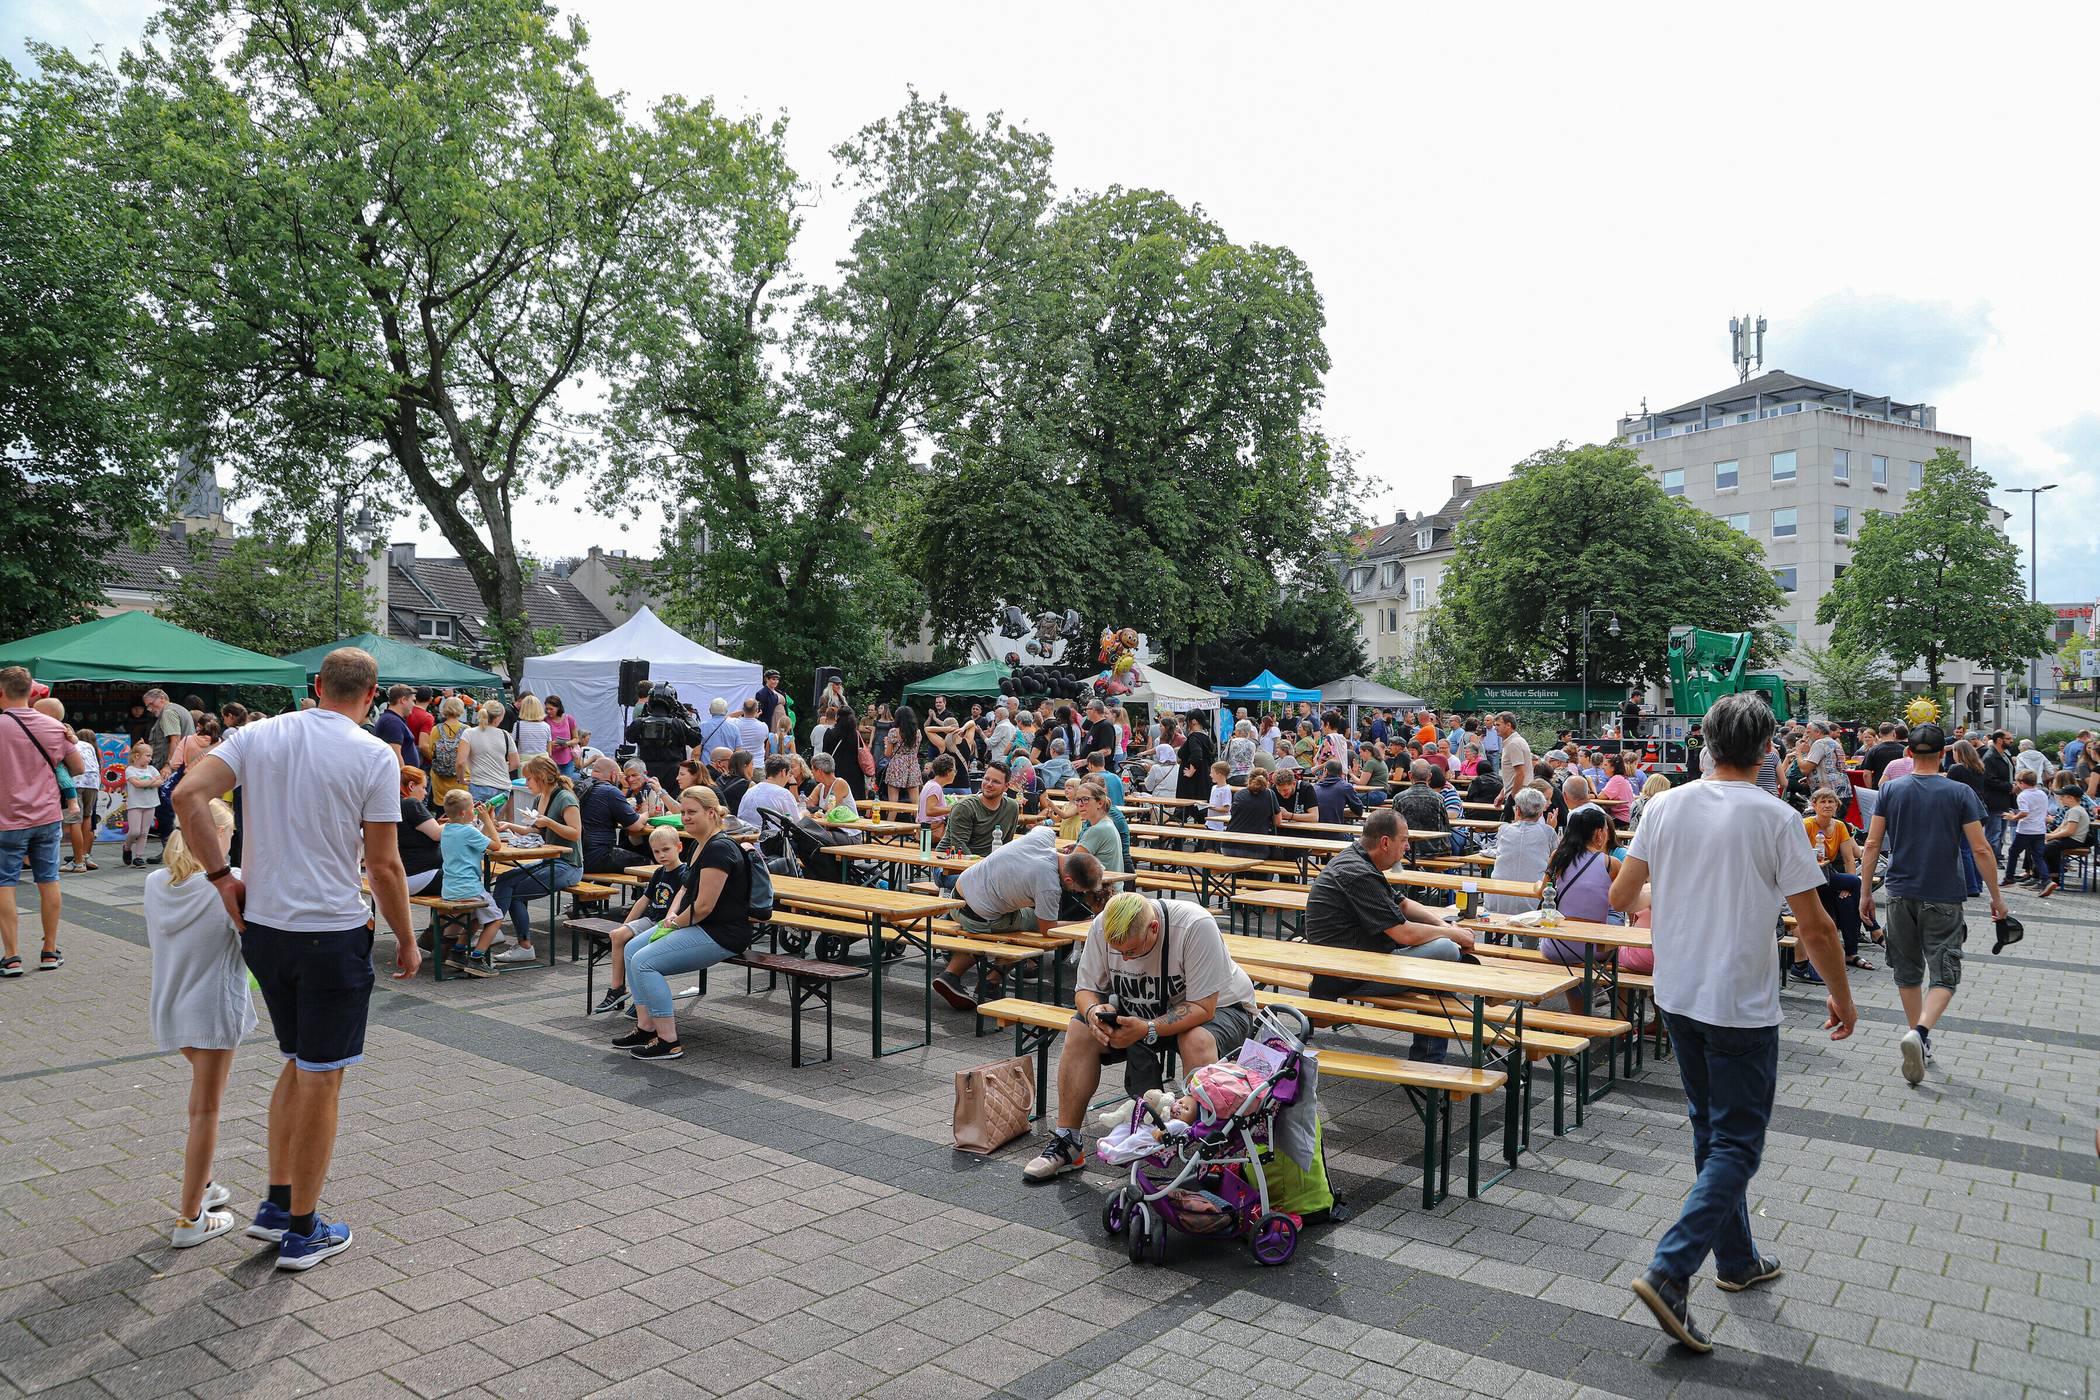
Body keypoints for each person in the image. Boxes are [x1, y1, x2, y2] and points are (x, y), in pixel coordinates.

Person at [1606, 692, 1853, 1354]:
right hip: (1738, 1001)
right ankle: (1671, 1268)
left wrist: (1683, 886)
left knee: (1708, 1130)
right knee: (1737, 1143)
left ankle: (1736, 1261)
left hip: (1676, 992)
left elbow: (1621, 896)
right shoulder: (1776, 818)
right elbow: (1817, 925)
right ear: (1768, 749)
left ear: (1706, 744)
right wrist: (1844, 997)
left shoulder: (1663, 805)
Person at [171, 646, 419, 1271]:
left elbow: (186, 796)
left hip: (266, 930)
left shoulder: (258, 734)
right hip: (330, 931)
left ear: (316, 686)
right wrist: (408, 938)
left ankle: (280, 1204)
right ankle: (304, 1229)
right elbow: (385, 864)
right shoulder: (372, 754)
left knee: (296, 1062)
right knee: (322, 1076)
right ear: (372, 695)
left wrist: (222, 876)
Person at [1020, 891, 1263, 1182]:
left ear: (1154, 929)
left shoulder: (1195, 925)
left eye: (1132, 951)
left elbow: (1202, 1007)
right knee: (1080, 1029)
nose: (1124, 958)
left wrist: (1147, 1029)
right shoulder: (1103, 924)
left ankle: (1208, 1153)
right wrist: (1096, 1010)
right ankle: (1068, 1141)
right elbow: (1084, 991)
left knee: (1194, 1039)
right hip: (1146, 1009)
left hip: (1222, 1008)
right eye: (1117, 951)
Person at [1858, 722, 2005, 1084]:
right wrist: (1997, 899)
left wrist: (1865, 892)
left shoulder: (1890, 789)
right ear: (1944, 754)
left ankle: (1917, 1036)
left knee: (1906, 971)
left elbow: (1873, 844)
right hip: (1943, 894)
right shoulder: (1960, 793)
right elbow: (1981, 848)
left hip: (1899, 892)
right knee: (1945, 973)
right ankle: (1921, 1033)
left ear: (1909, 754)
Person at [145, 798, 256, 1247]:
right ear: (219, 837)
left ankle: (205, 1185)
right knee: (205, 1112)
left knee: (201, 1107)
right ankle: (190, 1218)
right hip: (213, 1008)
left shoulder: (155, 882)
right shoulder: (231, 885)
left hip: (169, 1006)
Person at [1303, 808, 1473, 1062]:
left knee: (1444, 955)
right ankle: (1428, 1062)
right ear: (1385, 842)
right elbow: (1404, 934)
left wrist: (1447, 927)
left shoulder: (1355, 859)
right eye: (1404, 840)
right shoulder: (1358, 872)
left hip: (1354, 960)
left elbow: (1402, 904)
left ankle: (1429, 1059)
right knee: (1446, 953)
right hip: (1348, 973)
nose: (1407, 847)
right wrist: (1453, 936)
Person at [616, 788, 758, 1060]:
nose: (686, 817)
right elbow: (684, 889)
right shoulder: (699, 844)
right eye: (683, 812)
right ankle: (646, 1028)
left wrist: (674, 924)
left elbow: (703, 907)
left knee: (644, 962)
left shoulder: (719, 849)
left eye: (692, 812)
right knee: (631, 948)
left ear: (712, 813)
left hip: (721, 933)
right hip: (698, 925)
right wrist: (672, 915)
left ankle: (668, 1040)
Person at [1, 668, 85, 976]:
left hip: (6, 821)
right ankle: (49, 950)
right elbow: (76, 768)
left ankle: (11, 957)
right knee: (48, 881)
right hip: (47, 817)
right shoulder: (54, 727)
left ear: (2, 693)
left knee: (4, 885)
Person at [487, 755, 584, 964]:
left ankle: (521, 944)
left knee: (516, 892)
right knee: (505, 880)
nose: (526, 783)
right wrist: (508, 826)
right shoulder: (540, 798)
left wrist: (549, 821)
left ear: (541, 777)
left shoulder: (565, 798)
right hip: (550, 860)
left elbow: (575, 833)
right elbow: (535, 830)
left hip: (569, 865)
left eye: (528, 779)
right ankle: (493, 929)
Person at [589, 824, 692, 1015]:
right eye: (656, 851)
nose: (661, 855)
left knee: (637, 950)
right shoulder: (659, 872)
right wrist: (626, 924)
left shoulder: (684, 873)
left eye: (666, 849)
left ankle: (642, 999)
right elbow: (644, 900)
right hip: (652, 919)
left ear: (679, 847)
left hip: (668, 925)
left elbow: (681, 905)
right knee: (617, 935)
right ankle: (617, 989)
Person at [1537, 806, 1618, 1011]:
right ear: (1600, 833)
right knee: (1620, 950)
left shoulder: (1559, 856)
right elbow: (1624, 902)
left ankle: (1579, 1014)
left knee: (1572, 959)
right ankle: (1619, 1017)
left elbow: (1542, 891)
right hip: (1595, 949)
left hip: (1556, 946)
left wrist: (1535, 885)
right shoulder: (1611, 863)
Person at [433, 790, 510, 975]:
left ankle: (458, 953)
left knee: (475, 916)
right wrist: (488, 820)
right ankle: (477, 958)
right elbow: (496, 845)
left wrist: (486, 820)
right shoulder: (467, 830)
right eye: (471, 807)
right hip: (469, 888)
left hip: (450, 888)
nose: (475, 809)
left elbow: (481, 839)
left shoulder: (448, 829)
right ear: (463, 813)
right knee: (496, 918)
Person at [1801, 788, 1869, 976]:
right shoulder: (1807, 825)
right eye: (1822, 802)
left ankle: (1851, 952)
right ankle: (1874, 930)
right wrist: (1850, 884)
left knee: (1847, 900)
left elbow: (1849, 859)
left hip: (1828, 875)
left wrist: (1847, 886)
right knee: (1855, 885)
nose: (1827, 805)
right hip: (1810, 878)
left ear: (1837, 805)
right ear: (1814, 805)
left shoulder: (1839, 826)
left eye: (1831, 802)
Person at [574, 754, 654, 873]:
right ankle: (642, 892)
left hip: (577, 855)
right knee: (649, 865)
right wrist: (647, 813)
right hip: (597, 855)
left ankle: (599, 889)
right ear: (614, 775)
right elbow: (636, 825)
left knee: (618, 856)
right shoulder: (609, 791)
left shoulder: (579, 786)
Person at [1484, 786, 1554, 915]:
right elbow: (1555, 857)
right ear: (1540, 813)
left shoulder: (1504, 829)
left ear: (1517, 810)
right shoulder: (1548, 832)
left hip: (1497, 900)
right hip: (1533, 903)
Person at [627, 685, 704, 792]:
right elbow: (696, 738)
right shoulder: (678, 724)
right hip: (673, 773)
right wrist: (687, 716)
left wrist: (642, 716)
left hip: (647, 771)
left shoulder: (640, 722)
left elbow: (629, 737)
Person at [2035, 780, 2094, 898]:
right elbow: (2061, 827)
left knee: (2045, 849)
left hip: (2074, 840)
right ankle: (2049, 878)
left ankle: (2048, 879)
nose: (2060, 799)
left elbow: (2069, 831)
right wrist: (2050, 835)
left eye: (2063, 796)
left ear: (2071, 797)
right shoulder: (2071, 810)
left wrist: (2051, 836)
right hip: (2068, 839)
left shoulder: (2075, 811)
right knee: (2045, 846)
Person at [395, 767, 445, 896]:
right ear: (411, 786)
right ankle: (492, 915)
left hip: (406, 875)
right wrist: (460, 821)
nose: (426, 793)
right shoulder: (411, 803)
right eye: (423, 787)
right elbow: (437, 834)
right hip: (418, 875)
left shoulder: (396, 803)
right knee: (468, 876)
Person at [62, 724, 102, 873]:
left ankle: (78, 863)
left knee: (74, 821)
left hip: (76, 780)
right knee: (87, 817)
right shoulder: (87, 744)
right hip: (93, 781)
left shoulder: (63, 743)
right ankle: (85, 856)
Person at [463, 699, 519, 804]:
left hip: (479, 784)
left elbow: (460, 762)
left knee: (478, 820)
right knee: (493, 819)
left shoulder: (469, 733)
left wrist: (461, 779)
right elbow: (515, 763)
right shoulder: (505, 735)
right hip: (502, 787)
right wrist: (499, 769)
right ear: (499, 718)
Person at [1224, 768, 1282, 858]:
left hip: (1229, 846)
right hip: (1256, 848)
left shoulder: (1239, 794)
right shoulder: (1270, 794)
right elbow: (1277, 822)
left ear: (1248, 779)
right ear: (1267, 781)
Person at [2005, 768, 2050, 885]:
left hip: (2026, 830)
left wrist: (2013, 817)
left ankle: (2009, 877)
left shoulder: (2023, 796)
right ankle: (2046, 879)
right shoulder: (2042, 794)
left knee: (2013, 852)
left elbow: (2024, 812)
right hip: (2039, 829)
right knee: (2038, 856)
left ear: (2022, 783)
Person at [123, 741, 164, 867]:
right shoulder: (130, 770)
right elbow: (137, 784)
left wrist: (149, 782)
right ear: (136, 756)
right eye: (147, 755)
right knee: (135, 831)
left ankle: (139, 856)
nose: (150, 759)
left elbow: (160, 781)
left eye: (150, 756)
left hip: (150, 803)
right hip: (135, 804)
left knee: (144, 832)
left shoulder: (152, 769)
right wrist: (152, 781)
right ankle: (127, 846)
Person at [884, 705, 925, 802]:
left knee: (893, 803)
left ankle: (891, 818)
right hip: (913, 765)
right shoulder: (918, 733)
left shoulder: (893, 732)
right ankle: (918, 817)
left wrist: (886, 744)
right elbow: (915, 751)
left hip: (897, 766)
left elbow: (888, 754)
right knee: (915, 803)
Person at [373, 685, 417, 768]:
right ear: (403, 700)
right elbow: (395, 755)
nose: (414, 705)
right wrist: (404, 778)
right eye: (413, 701)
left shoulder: (392, 719)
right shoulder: (392, 721)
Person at [1175, 712, 1215, 803]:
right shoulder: (1206, 737)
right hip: (1204, 776)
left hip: (1192, 783)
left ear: (1193, 721)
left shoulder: (1194, 737)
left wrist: (1191, 771)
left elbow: (1196, 756)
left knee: (1188, 808)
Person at [917, 753, 956, 845]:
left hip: (927, 832)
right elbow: (930, 810)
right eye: (954, 770)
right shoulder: (935, 787)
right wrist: (953, 807)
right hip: (933, 833)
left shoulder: (931, 784)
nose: (955, 773)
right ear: (947, 772)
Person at [1312, 759, 1364, 824]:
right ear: (1341, 773)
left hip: (1314, 831)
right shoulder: (1345, 787)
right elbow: (1359, 811)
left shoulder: (1315, 787)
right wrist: (1339, 811)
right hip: (1335, 832)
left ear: (1325, 771)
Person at [1204, 761, 1232, 830]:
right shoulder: (1213, 787)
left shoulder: (1225, 789)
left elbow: (1226, 809)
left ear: (1219, 774)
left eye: (1212, 773)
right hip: (1210, 823)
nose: (1210, 775)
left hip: (1220, 826)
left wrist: (1210, 807)